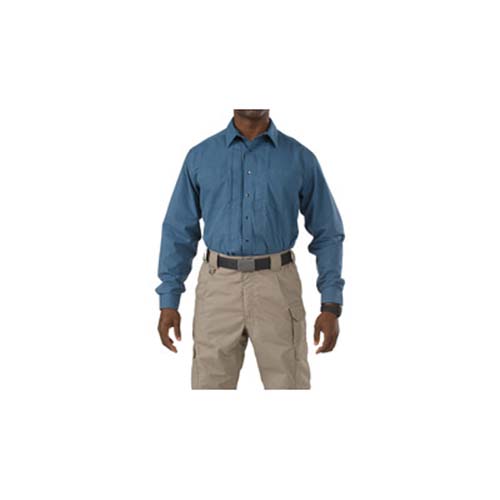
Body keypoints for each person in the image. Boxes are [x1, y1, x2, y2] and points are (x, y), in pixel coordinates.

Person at [155, 110, 345, 389]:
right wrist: (169, 300)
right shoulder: (200, 157)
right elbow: (178, 231)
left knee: (288, 387)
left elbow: (328, 232)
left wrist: (331, 304)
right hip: (217, 289)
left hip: (277, 288)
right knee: (209, 388)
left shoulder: (299, 158)